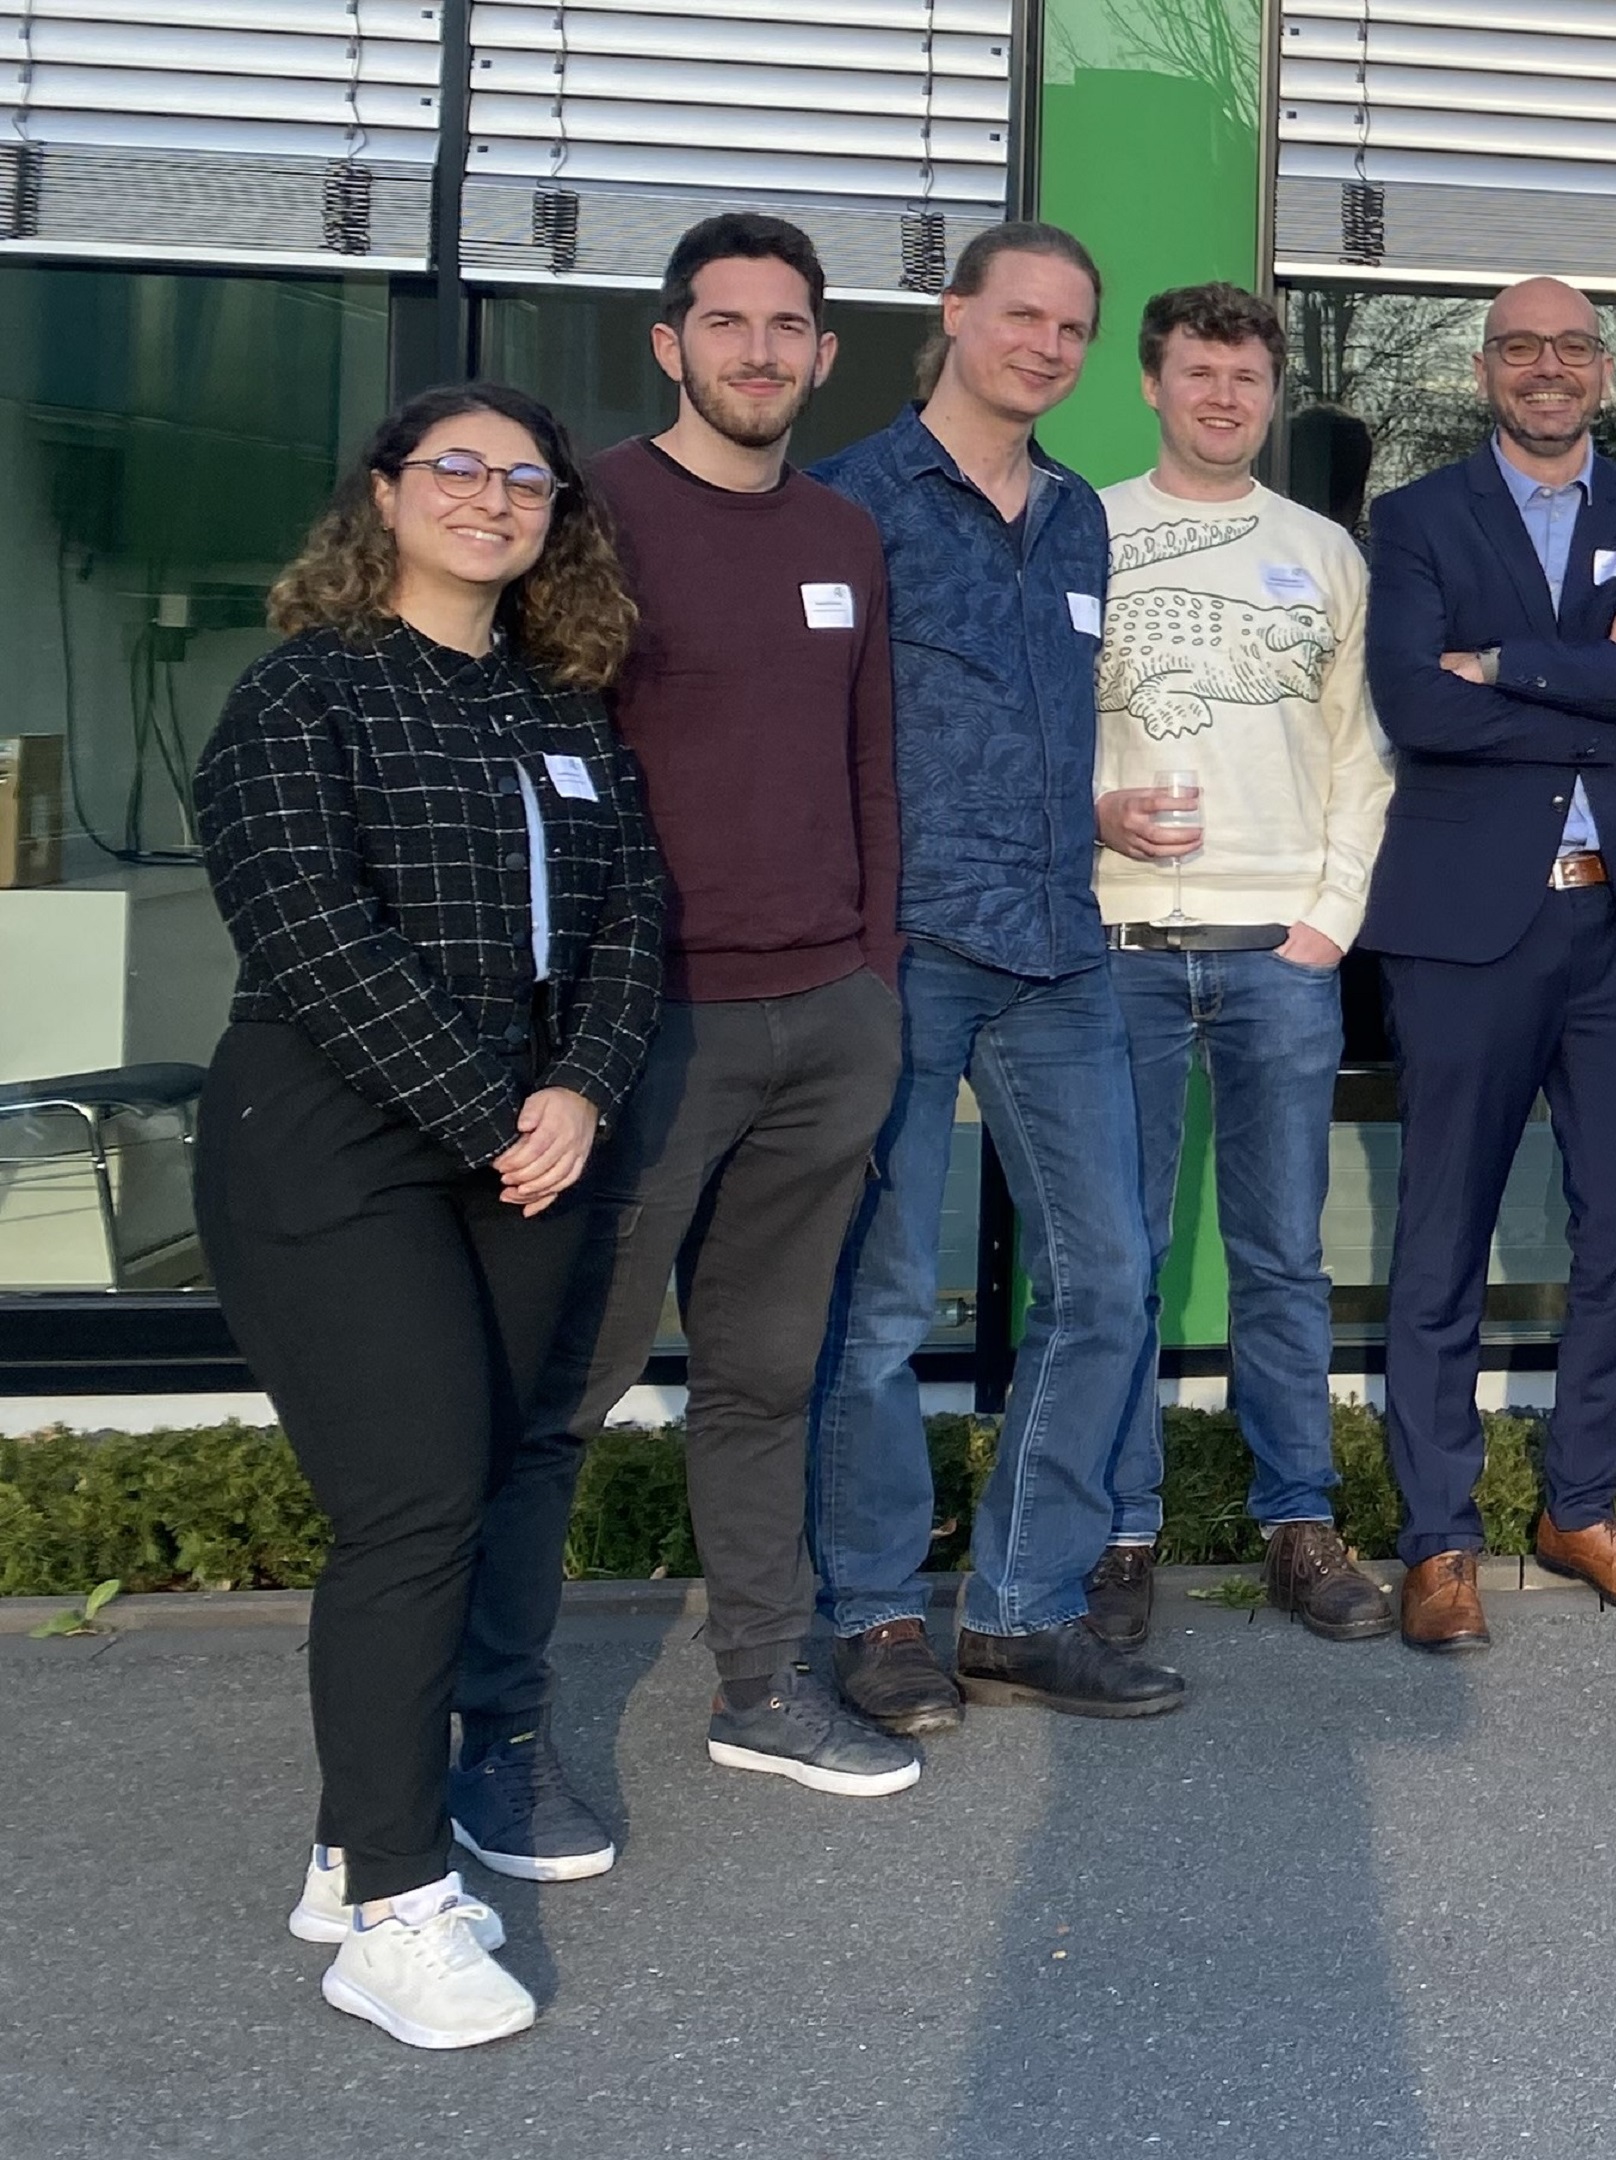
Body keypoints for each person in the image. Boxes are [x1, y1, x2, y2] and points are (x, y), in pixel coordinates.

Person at [197, 382, 661, 2048]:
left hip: (528, 1143)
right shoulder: (300, 694)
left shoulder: (559, 707)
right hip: (336, 1140)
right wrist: (490, 1112)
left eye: (525, 479)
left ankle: (353, 1848)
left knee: (472, 1487)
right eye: (455, 468)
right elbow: (308, 931)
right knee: (408, 1511)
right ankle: (396, 1910)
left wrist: (582, 1089)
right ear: (385, 496)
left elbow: (632, 917)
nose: (491, 497)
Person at [482, 214, 918, 1819]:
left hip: (828, 1026)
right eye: (725, 323)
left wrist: (873, 980)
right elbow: (539, 779)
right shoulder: (591, 517)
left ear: (825, 353)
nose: (758, 351)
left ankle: (762, 1688)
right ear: (669, 344)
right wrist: (565, 1036)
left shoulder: (845, 533)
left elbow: (870, 767)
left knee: (765, 1381)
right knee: (563, 1394)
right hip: (643, 1035)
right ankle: (492, 1729)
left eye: (786, 325)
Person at [809, 221, 1185, 1722]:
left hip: (1055, 946)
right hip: (904, 947)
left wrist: (1087, 816)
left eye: (1072, 328)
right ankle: (875, 1613)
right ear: (956, 315)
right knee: (884, 1301)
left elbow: (1033, 726)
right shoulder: (850, 503)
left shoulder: (1081, 517)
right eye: (1022, 315)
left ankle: (1022, 1608)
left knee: (1110, 1276)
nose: (1047, 346)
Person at [1361, 277, 1616, 1651]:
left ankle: (1582, 1508)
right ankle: (1438, 1540)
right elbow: (1412, 702)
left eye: (1571, 347)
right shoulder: (1417, 518)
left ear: (1605, 371)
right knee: (1442, 1233)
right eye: (1521, 348)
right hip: (1467, 931)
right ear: (1484, 370)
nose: (1547, 368)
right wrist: (1595, 688)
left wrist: (1505, 662)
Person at [1087, 281, 1395, 1643]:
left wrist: (1328, 918)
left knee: (1280, 1256)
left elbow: (1360, 755)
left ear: (1271, 398)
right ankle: (1117, 1532)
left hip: (1281, 952)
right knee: (1120, 1258)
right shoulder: (1084, 531)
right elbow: (1038, 731)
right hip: (1121, 949)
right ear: (1151, 384)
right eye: (1199, 373)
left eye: (1246, 378)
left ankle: (1298, 1524)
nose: (1223, 397)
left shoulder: (1323, 553)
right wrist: (1089, 825)